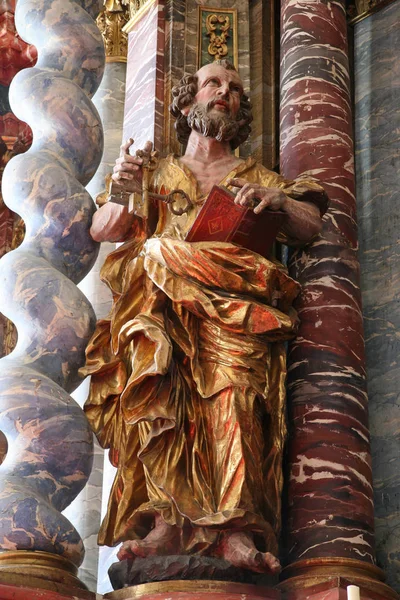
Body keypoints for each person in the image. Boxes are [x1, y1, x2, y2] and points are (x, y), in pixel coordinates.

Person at [81, 60, 328, 574]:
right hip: (162, 317)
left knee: (235, 397)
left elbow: (309, 226)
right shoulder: (154, 171)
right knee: (163, 408)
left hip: (232, 317)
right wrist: (124, 186)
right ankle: (167, 521)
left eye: (236, 89)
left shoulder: (256, 176)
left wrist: (277, 200)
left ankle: (234, 531)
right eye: (213, 84)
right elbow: (105, 229)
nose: (226, 93)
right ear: (187, 99)